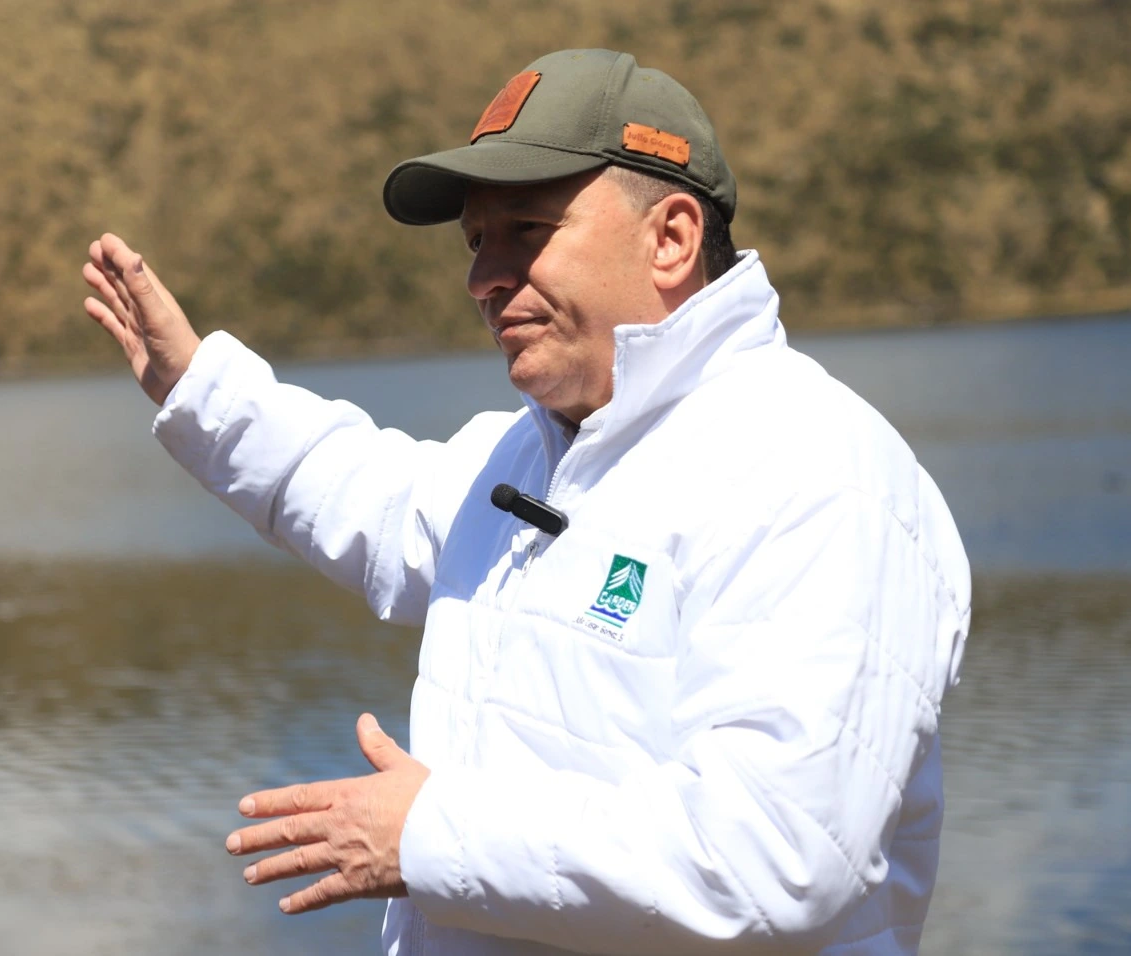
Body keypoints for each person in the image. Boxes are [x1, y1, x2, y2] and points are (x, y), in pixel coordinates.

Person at [81, 48, 970, 956]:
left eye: (527, 231)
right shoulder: (537, 449)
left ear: (670, 238)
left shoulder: (815, 474)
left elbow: (774, 856)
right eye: (475, 242)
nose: (483, 278)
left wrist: (426, 836)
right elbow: (371, 498)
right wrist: (197, 386)